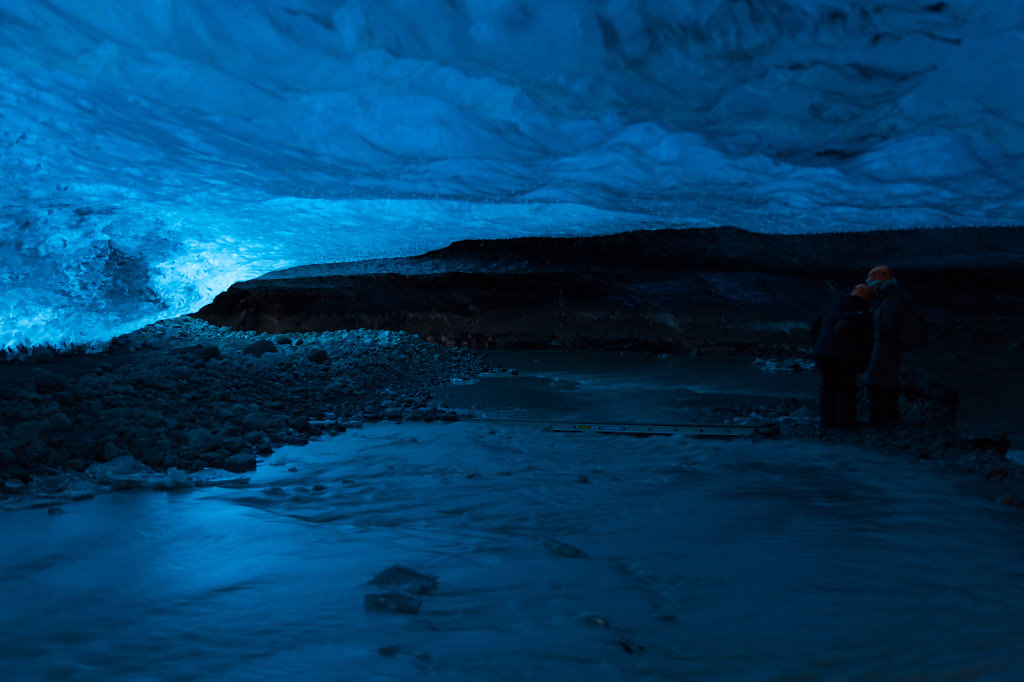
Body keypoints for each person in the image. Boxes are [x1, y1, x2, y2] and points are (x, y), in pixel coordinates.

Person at [810, 283, 874, 430]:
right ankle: (845, 424)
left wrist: (818, 347)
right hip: (845, 357)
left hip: (822, 355)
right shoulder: (863, 316)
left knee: (827, 387)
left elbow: (814, 328)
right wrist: (862, 367)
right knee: (846, 388)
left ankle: (826, 422)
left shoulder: (831, 309)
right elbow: (867, 343)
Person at [862, 265, 911, 425]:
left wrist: (870, 321)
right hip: (887, 349)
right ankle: (887, 419)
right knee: (884, 384)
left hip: (885, 349)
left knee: (878, 384)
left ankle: (882, 420)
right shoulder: (894, 299)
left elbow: (887, 327)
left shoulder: (891, 302)